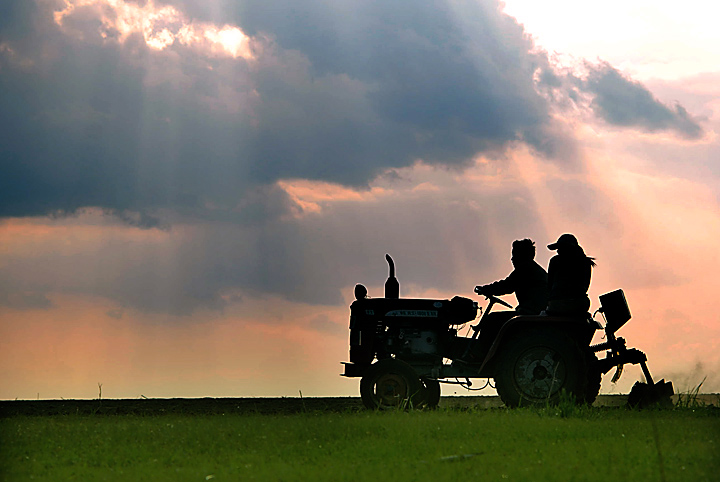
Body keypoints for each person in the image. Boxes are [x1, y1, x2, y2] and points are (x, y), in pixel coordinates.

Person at [473, 239, 549, 344]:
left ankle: (480, 352)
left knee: (492, 319)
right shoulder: (534, 269)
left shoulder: (525, 270)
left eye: (514, 254)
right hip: (534, 313)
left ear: (521, 255)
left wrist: (485, 289)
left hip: (529, 315)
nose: (512, 259)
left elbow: (506, 286)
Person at [545, 233, 596, 314]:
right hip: (580, 305)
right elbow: (585, 287)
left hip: (556, 305)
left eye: (560, 248)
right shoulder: (585, 262)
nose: (558, 251)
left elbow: (549, 286)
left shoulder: (555, 261)